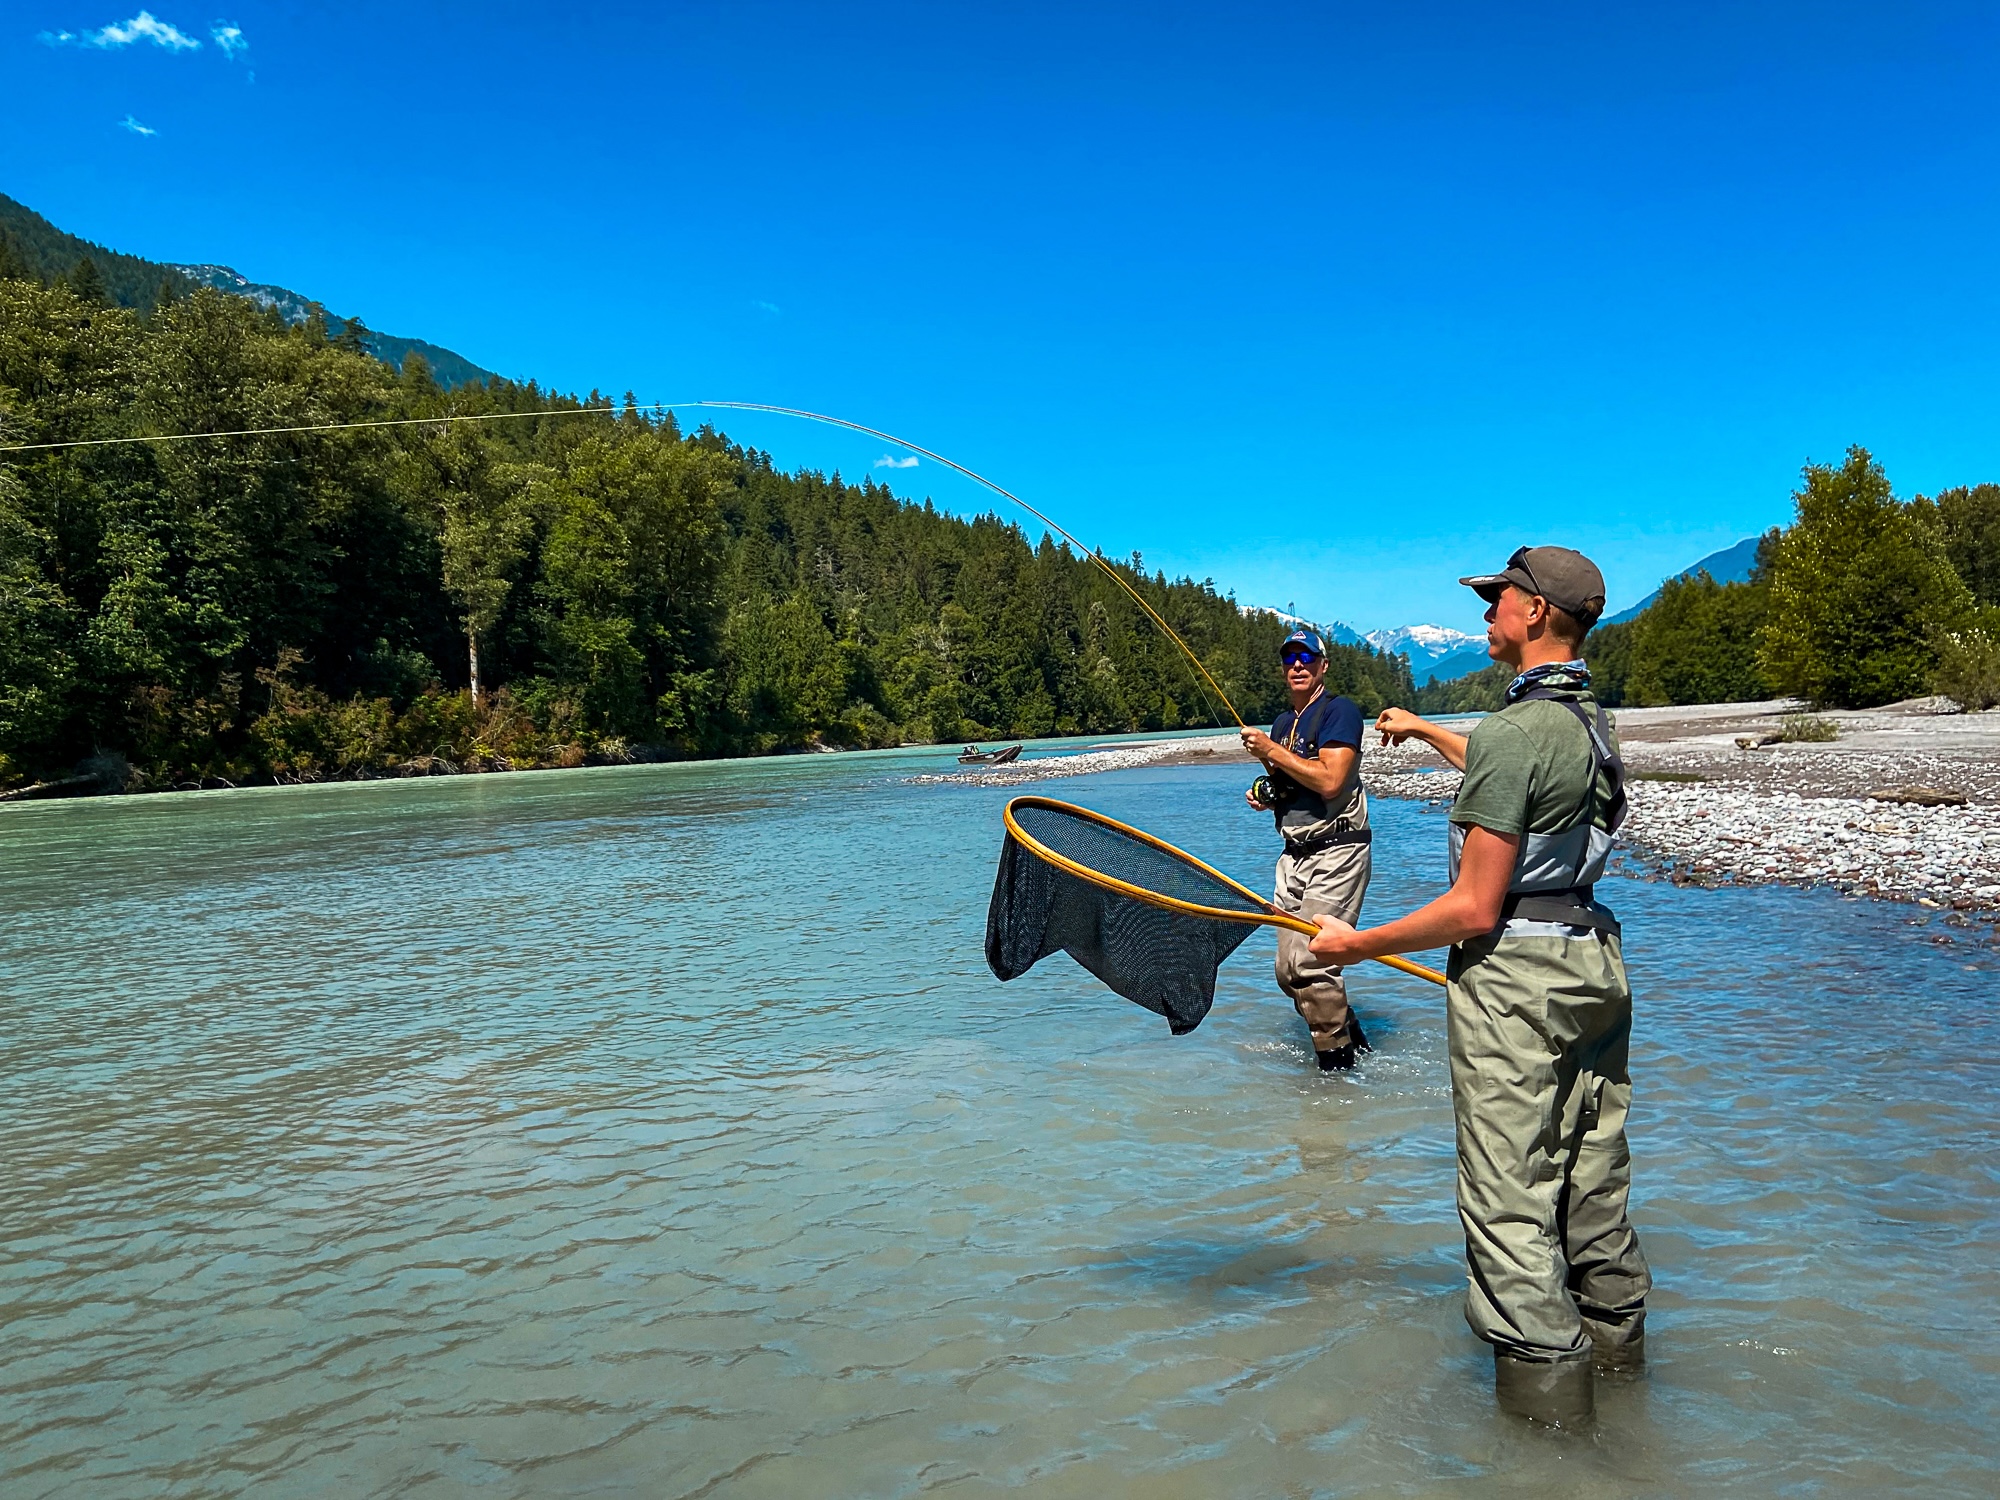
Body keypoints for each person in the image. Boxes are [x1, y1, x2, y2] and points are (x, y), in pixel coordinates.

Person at [1305, 546, 1650, 1429]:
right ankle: (1627, 1390)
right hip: (1592, 962)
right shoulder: (1589, 723)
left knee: (1509, 1199)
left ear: (1535, 613)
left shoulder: (1513, 734)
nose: (1486, 614)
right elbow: (1515, 770)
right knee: (1590, 1179)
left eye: (1498, 600)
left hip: (1517, 980)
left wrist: (1357, 944)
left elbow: (1471, 907)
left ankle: (1548, 1449)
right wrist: (1425, 730)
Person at [1239, 627, 1373, 1070]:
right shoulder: (1282, 723)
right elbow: (1291, 782)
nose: (1297, 665)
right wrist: (1267, 792)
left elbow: (1331, 781)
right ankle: (1352, 1041)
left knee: (1311, 964)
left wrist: (1272, 751)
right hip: (1293, 855)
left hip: (1338, 851)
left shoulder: (1340, 712)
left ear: (1323, 665)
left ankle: (1336, 1072)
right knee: (1286, 970)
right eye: (1289, 659)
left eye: (1306, 658)